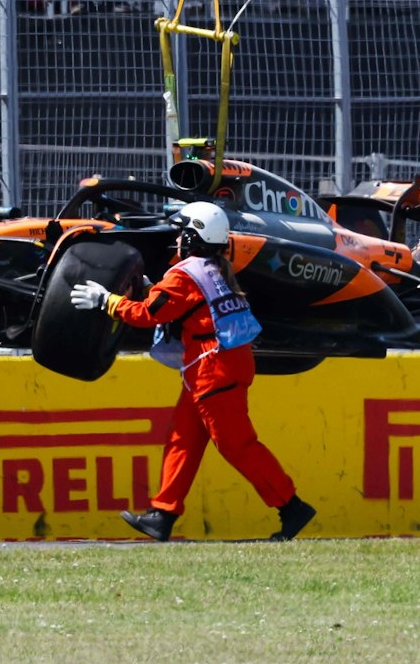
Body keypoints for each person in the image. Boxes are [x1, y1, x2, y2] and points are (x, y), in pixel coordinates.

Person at [71, 200, 315, 543]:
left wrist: (106, 301)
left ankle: (292, 507)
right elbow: (175, 304)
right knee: (182, 440)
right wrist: (146, 289)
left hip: (214, 371)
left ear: (193, 237)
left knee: (238, 447)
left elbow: (148, 315)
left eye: (182, 233)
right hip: (218, 365)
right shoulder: (212, 268)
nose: (177, 240)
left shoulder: (186, 273)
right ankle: (163, 514)